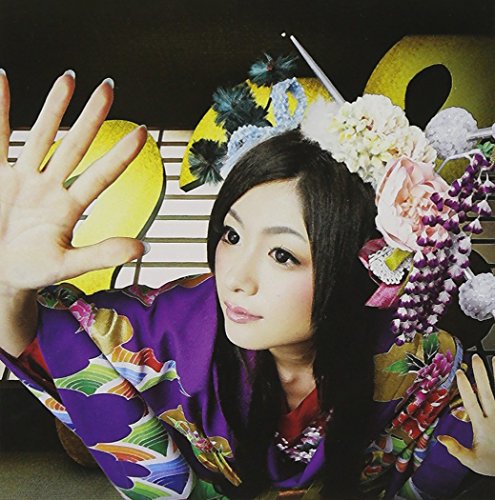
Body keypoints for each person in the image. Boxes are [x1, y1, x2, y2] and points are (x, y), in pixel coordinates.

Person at [0, 69, 494, 499]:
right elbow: (60, 342)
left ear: (361, 267)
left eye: (283, 254)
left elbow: (440, 461)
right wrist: (7, 288)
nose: (235, 278)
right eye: (232, 235)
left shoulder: (419, 359)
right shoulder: (173, 326)